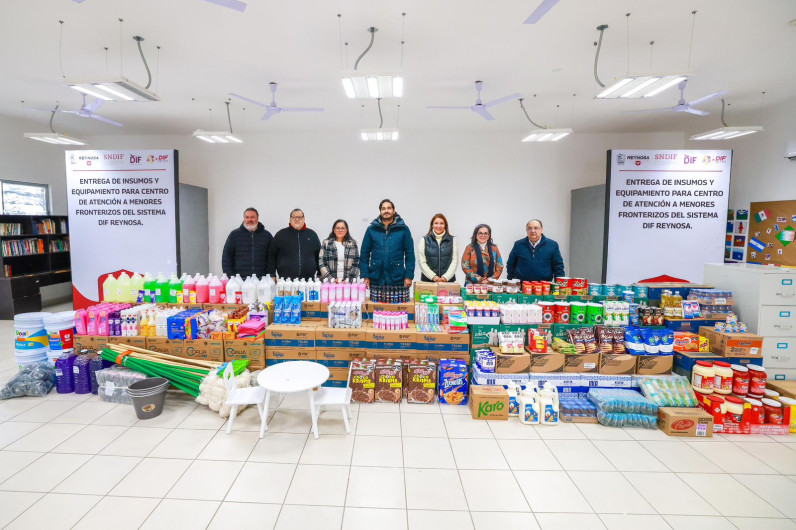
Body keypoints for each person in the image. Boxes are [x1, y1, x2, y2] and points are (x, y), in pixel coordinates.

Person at [360, 199, 415, 287]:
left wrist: (409, 276)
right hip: (376, 277)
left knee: (397, 301)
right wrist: (365, 275)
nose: (386, 211)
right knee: (375, 301)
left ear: (394, 211)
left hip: (397, 277)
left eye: (389, 208)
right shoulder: (371, 229)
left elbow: (410, 255)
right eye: (383, 208)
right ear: (380, 211)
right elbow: (364, 254)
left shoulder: (403, 229)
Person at [267, 208, 321, 279]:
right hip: (285, 281)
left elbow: (319, 256)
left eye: (299, 217)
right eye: (294, 217)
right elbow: (271, 256)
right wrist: (272, 274)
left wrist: (320, 273)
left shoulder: (312, 235)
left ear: (304, 219)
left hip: (308, 280)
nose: (297, 219)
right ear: (290, 219)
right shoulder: (281, 234)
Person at [221, 207, 272, 277]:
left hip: (261, 280)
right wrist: (230, 277)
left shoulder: (267, 236)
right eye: (247, 217)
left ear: (257, 218)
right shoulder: (234, 235)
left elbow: (272, 258)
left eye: (252, 217)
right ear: (244, 218)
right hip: (239, 280)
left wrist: (270, 275)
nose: (249, 219)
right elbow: (226, 258)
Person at [418, 213, 458, 282]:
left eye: (441, 223)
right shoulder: (424, 240)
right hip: (428, 281)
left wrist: (446, 277)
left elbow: (455, 261)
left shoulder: (452, 240)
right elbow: (422, 262)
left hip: (447, 281)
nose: (438, 226)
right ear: (432, 225)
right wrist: (433, 277)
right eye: (436, 223)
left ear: (445, 225)